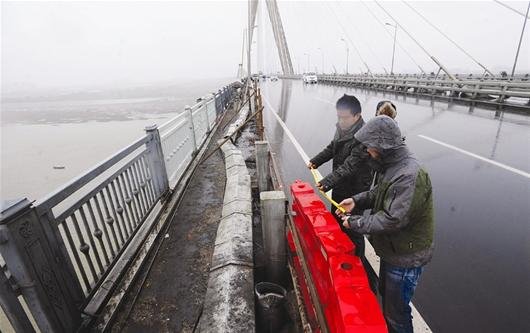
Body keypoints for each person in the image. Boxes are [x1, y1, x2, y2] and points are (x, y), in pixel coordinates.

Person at [337, 115, 434, 333]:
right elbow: (380, 193)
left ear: (384, 146)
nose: (368, 152)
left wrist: (355, 222)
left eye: (370, 147)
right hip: (393, 250)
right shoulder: (393, 166)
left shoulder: (409, 175)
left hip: (406, 257)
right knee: (389, 304)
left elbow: (393, 219)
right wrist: (357, 200)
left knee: (397, 314)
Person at [307, 94, 373, 257]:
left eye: (345, 118)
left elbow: (350, 165)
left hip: (355, 191)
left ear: (357, 116)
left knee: (353, 228)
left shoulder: (363, 137)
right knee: (337, 222)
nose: (341, 121)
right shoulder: (342, 129)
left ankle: (358, 261)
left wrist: (327, 182)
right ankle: (340, 253)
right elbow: (332, 148)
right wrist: (315, 161)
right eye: (339, 117)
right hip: (340, 186)